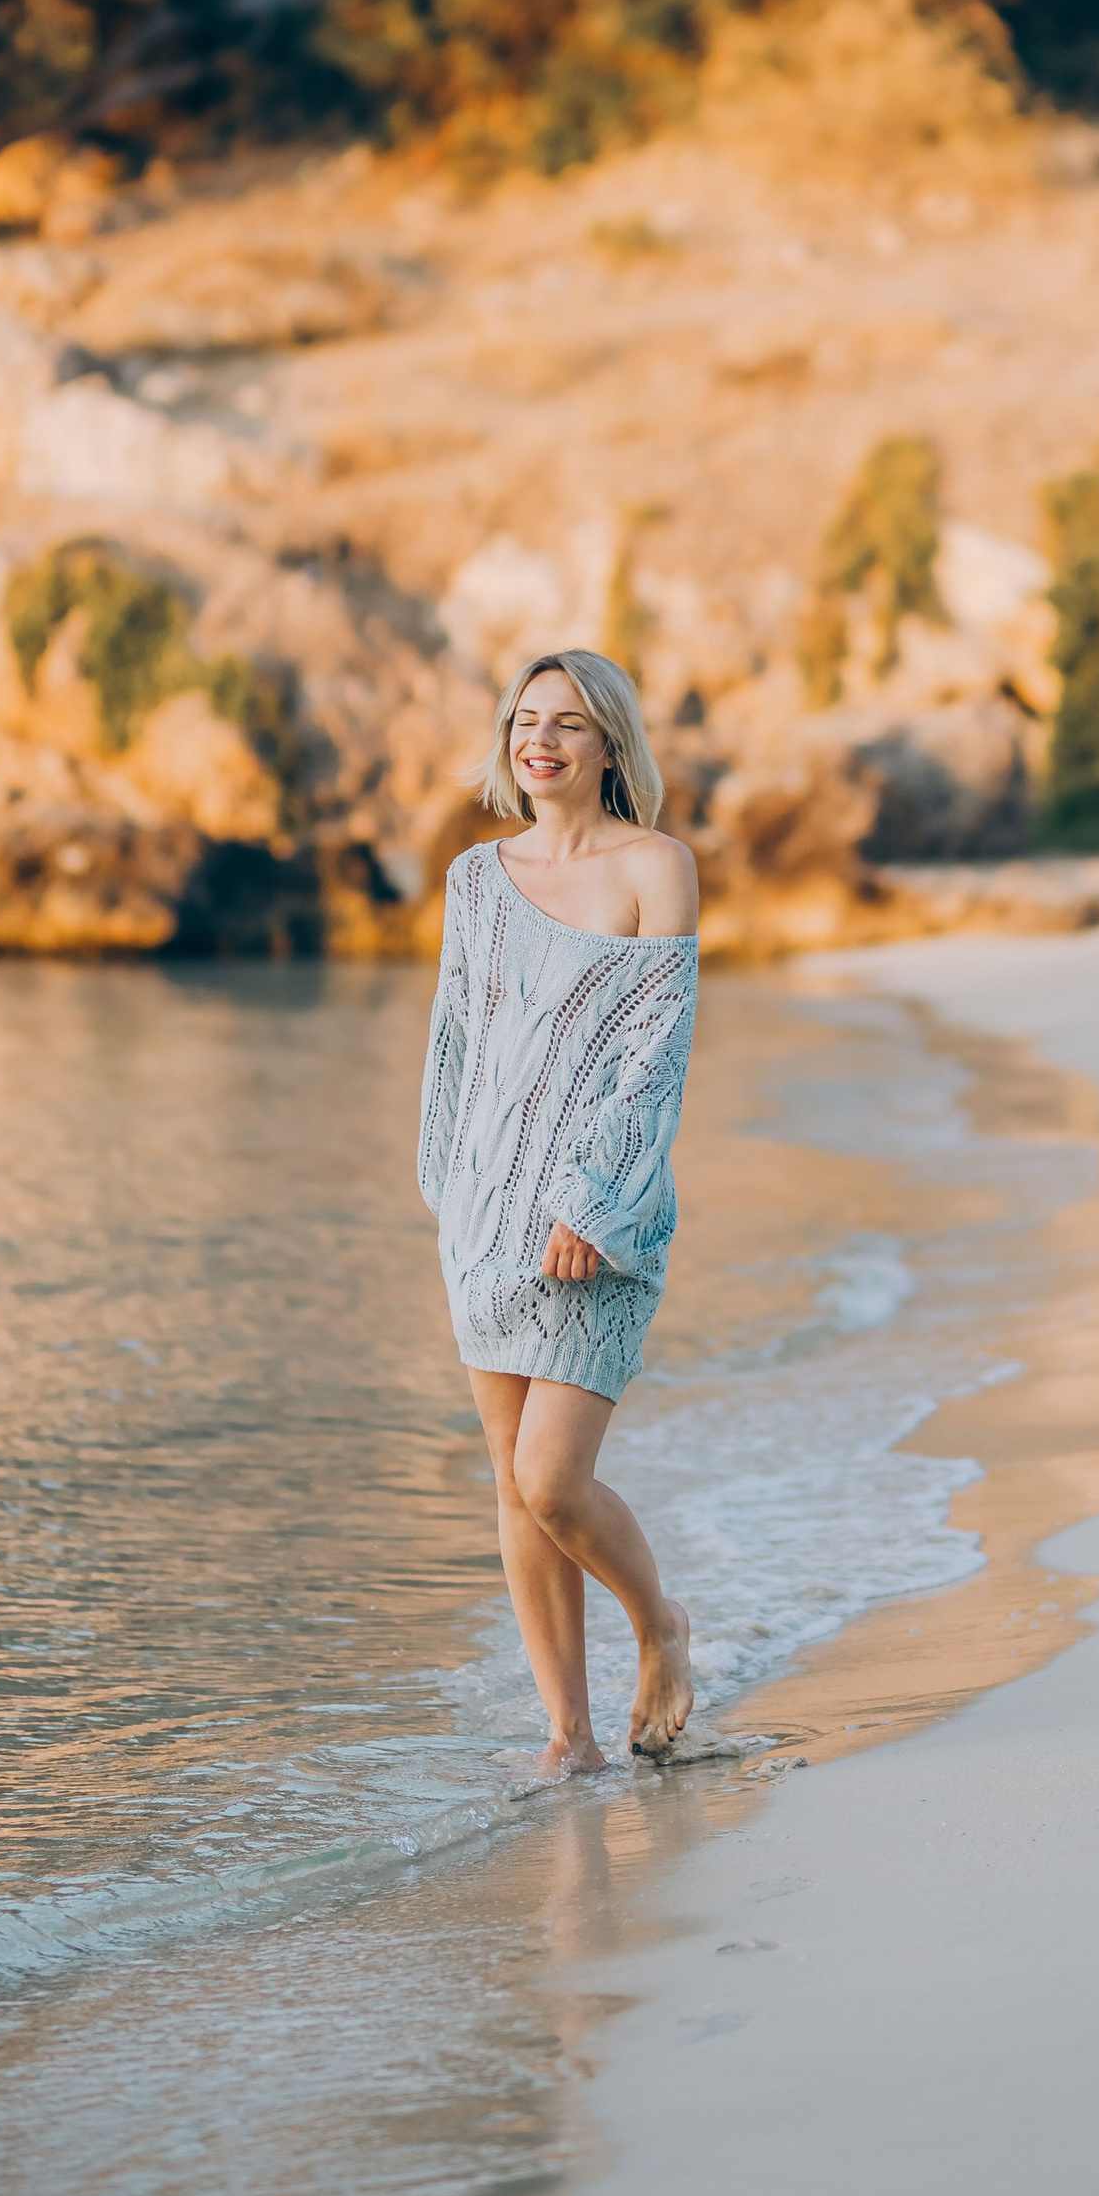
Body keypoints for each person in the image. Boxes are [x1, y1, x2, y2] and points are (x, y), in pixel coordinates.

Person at [418, 647, 701, 1776]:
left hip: (602, 1217)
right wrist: (449, 1193)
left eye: (569, 724)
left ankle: (660, 1626)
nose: (540, 740)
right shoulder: (476, 881)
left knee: (552, 1479)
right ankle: (569, 1738)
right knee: (508, 1483)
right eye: (525, 720)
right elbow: (453, 1050)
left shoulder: (657, 866)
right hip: (482, 1217)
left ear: (609, 746)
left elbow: (654, 1057)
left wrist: (588, 1197)